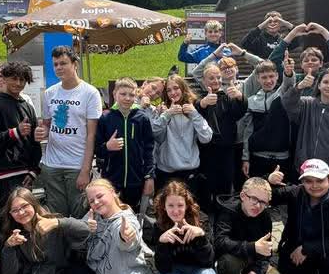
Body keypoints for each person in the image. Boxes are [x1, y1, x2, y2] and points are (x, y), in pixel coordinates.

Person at [213, 177, 297, 274]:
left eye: (264, 202)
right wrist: (252, 247)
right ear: (243, 196)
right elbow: (220, 242)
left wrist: (254, 273)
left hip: (253, 261)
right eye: (254, 199)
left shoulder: (264, 216)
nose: (258, 206)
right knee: (229, 262)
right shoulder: (228, 211)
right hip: (233, 259)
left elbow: (266, 251)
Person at [34, 46, 103, 217]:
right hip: (52, 164)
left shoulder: (90, 93)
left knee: (79, 215)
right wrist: (41, 132)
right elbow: (47, 125)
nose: (58, 68)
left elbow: (91, 135)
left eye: (63, 63)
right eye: (55, 64)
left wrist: (85, 169)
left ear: (75, 64)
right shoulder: (50, 93)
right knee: (56, 216)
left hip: (76, 165)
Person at [150, 181, 219, 274]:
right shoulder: (159, 225)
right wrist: (162, 243)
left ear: (187, 205)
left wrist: (201, 237)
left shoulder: (201, 220)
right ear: (164, 206)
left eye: (180, 205)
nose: (175, 211)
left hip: (199, 268)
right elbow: (162, 268)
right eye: (171, 205)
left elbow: (209, 261)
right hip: (174, 270)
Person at [0, 61, 42, 216]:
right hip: (3, 176)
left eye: (22, 80)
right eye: (14, 78)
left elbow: (35, 143)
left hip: (25, 175)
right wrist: (15, 132)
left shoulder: (27, 106)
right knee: (6, 220)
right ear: (5, 78)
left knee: (26, 219)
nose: (18, 83)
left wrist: (33, 171)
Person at [280, 63, 329, 184]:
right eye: (325, 82)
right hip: (305, 168)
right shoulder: (307, 103)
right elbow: (287, 103)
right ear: (319, 85)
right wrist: (299, 87)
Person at [95, 77, 155, 208]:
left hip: (136, 181)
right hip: (111, 181)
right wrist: (107, 146)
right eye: (123, 94)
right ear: (114, 94)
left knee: (132, 214)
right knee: (112, 212)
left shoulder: (142, 118)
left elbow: (149, 150)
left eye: (131, 95)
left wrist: (149, 176)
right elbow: (97, 150)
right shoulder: (105, 118)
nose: (127, 98)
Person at [194, 63, 247, 211]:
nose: (216, 81)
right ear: (204, 81)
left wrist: (240, 97)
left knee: (225, 181)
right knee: (206, 181)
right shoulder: (200, 97)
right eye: (211, 78)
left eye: (218, 77)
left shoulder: (227, 96)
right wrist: (203, 104)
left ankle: (223, 211)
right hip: (207, 149)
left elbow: (239, 113)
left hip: (226, 148)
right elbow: (194, 113)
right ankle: (206, 211)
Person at [152, 74, 213, 190]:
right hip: (166, 170)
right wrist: (167, 115)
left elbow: (206, 137)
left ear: (183, 88)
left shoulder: (194, 108)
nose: (173, 93)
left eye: (176, 88)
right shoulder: (163, 110)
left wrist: (194, 114)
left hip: (189, 169)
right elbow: (155, 134)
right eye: (169, 90)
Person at [239, 59, 295, 180]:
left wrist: (289, 73)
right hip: (257, 158)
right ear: (257, 79)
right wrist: (245, 158)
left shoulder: (282, 95)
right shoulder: (251, 101)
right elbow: (247, 131)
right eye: (264, 77)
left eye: (271, 76)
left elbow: (288, 85)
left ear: (277, 76)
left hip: (282, 158)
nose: (268, 81)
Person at [268, 21, 329, 87]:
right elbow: (272, 63)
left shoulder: (327, 78)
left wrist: (323, 31)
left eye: (314, 60)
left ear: (321, 63)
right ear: (301, 65)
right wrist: (292, 34)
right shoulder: (293, 78)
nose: (310, 62)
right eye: (306, 60)